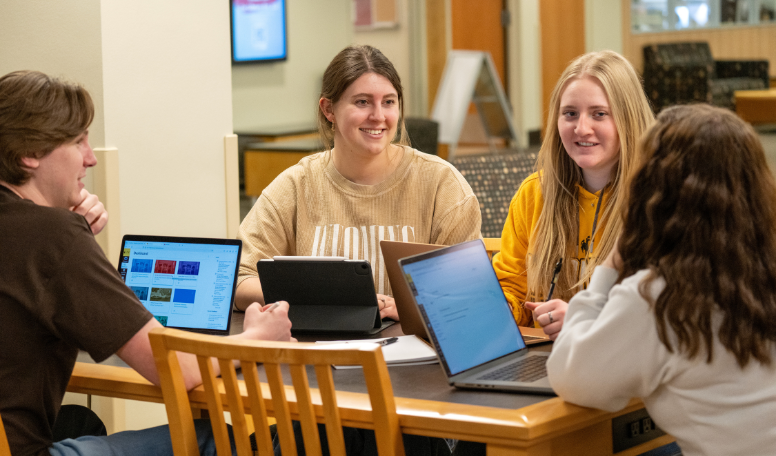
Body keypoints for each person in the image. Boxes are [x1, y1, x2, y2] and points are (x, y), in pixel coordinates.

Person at [0, 70, 294, 456]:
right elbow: (179, 370)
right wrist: (260, 336)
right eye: (77, 141)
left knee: (79, 420)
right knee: (214, 436)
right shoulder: (54, 236)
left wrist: (72, 231)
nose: (91, 158)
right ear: (30, 154)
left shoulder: (45, 233)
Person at [547, 104, 776, 455]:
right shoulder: (762, 272)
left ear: (655, 191)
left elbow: (570, 377)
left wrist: (608, 270)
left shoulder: (660, 297)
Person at [234, 45, 482, 317]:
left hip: (416, 350)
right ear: (329, 109)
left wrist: (414, 306)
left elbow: (471, 289)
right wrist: (325, 297)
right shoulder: (295, 185)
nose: (378, 116)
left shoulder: (442, 184)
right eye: (362, 102)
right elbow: (241, 280)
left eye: (388, 102)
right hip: (318, 351)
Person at [492, 50, 654, 339]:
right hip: (542, 358)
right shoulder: (534, 194)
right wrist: (496, 307)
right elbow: (512, 287)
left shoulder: (658, 200)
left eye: (599, 114)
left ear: (628, 118)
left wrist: (585, 321)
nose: (581, 128)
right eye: (570, 114)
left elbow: (668, 311)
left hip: (622, 364)